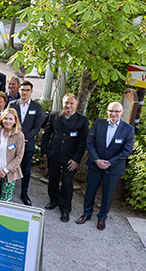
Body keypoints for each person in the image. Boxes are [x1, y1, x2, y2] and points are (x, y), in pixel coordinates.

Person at [76, 102, 134, 230]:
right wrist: (96, 160)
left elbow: (126, 151)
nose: (113, 114)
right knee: (90, 190)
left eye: (116, 111)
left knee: (107, 194)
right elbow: (90, 142)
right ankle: (86, 214)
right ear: (107, 111)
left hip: (113, 168)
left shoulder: (128, 129)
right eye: (111, 111)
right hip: (95, 165)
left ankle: (102, 218)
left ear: (121, 112)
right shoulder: (99, 123)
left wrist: (110, 162)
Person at [40, 93, 89, 222]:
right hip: (54, 154)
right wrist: (44, 151)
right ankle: (53, 200)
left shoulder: (82, 120)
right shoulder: (54, 116)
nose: (68, 105)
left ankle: (65, 209)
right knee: (53, 180)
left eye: (71, 103)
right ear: (62, 103)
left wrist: (76, 159)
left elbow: (82, 142)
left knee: (67, 183)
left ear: (76, 105)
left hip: (70, 158)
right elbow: (47, 134)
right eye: (66, 102)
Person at [8, 81, 46, 206]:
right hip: (13, 143)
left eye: (27, 90)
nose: (24, 92)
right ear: (19, 90)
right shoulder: (12, 105)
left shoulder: (36, 107)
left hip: (28, 143)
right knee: (10, 166)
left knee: (26, 169)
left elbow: (37, 126)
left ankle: (24, 193)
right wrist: (17, 137)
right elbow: (8, 122)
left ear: (31, 91)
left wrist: (24, 137)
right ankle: (7, 190)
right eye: (22, 89)